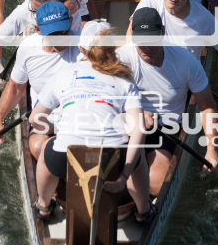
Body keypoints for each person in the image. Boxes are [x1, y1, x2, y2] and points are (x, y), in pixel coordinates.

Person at [29, 26, 156, 225]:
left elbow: (34, 119)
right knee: (138, 155)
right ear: (113, 49)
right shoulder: (124, 79)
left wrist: (54, 129)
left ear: (80, 48)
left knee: (46, 147)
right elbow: (139, 129)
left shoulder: (63, 74)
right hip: (112, 160)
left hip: (66, 158)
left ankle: (43, 205)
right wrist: (123, 176)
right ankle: (144, 211)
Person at [118, 7, 218, 195]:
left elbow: (207, 107)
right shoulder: (119, 59)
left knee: (157, 184)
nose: (147, 47)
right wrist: (134, 114)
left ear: (163, 33)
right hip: (126, 123)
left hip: (165, 128)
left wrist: (212, 149)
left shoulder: (185, 62)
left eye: (152, 40)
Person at [130, 0, 218, 113]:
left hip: (183, 85)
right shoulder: (150, 5)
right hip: (147, 77)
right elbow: (130, 38)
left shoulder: (203, 17)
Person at [0, 1, 80, 160]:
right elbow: (15, 87)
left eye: (64, 32)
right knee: (37, 147)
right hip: (46, 120)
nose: (60, 39)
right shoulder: (28, 48)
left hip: (80, 118)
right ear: (38, 30)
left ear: (71, 21)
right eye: (53, 34)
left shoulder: (86, 47)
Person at [0, 0, 82, 90]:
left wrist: (46, 21)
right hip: (41, 63)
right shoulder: (21, 13)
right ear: (32, 1)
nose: (46, 11)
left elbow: (72, 5)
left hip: (73, 55)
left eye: (52, 6)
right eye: (39, 9)